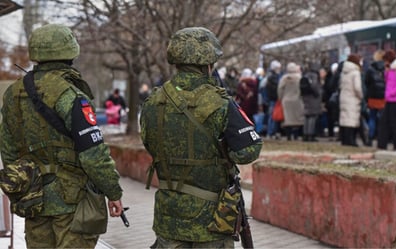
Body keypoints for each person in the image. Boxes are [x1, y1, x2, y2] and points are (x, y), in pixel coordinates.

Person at [0, 24, 123, 248]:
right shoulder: (71, 94)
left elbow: (8, 152)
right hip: (71, 203)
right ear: (70, 53)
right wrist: (113, 192)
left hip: (34, 200)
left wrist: (24, 188)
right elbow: (93, 154)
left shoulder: (13, 94)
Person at [139, 27, 263, 249]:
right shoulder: (220, 102)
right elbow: (247, 151)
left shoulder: (152, 102)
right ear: (208, 64)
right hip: (212, 222)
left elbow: (149, 143)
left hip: (169, 217)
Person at [339, 54, 364, 146]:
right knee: (352, 120)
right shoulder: (355, 72)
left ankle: (344, 140)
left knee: (345, 119)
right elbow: (357, 87)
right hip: (353, 98)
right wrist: (361, 96)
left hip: (344, 97)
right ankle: (351, 141)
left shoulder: (344, 72)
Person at [277, 62, 304, 141]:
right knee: (297, 119)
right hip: (297, 100)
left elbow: (280, 89)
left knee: (288, 119)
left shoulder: (284, 78)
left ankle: (288, 136)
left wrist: (280, 98)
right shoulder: (299, 77)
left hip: (286, 100)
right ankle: (296, 136)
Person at [364, 50, 386, 146]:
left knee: (372, 117)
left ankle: (370, 137)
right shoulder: (387, 68)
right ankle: (382, 137)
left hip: (373, 97)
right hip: (384, 97)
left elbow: (366, 83)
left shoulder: (370, 69)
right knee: (382, 118)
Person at [301, 62, 323, 142]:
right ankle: (310, 134)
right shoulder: (314, 76)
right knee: (312, 117)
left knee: (307, 116)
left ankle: (305, 134)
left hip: (306, 97)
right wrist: (318, 93)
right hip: (313, 98)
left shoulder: (306, 75)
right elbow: (314, 86)